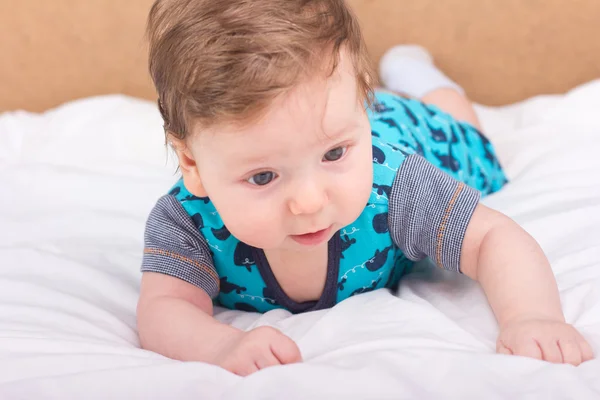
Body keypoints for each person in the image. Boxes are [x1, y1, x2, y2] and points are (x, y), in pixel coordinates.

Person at [136, 0, 594, 376]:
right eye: (263, 177)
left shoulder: (396, 185)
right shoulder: (186, 222)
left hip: (414, 132)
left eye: (334, 155)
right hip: (350, 118)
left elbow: (493, 237)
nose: (311, 201)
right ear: (192, 164)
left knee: (465, 128)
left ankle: (422, 79)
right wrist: (220, 346)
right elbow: (165, 308)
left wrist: (533, 315)